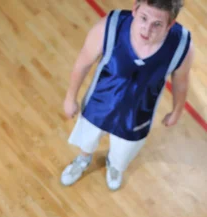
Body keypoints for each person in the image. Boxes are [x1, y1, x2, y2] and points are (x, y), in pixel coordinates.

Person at [61, 0, 194, 191]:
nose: (147, 30)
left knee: (123, 153)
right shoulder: (110, 26)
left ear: (170, 24)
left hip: (138, 115)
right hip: (99, 103)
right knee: (87, 140)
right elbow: (83, 62)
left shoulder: (182, 46)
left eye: (157, 24)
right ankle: (83, 159)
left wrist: (177, 111)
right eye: (143, 18)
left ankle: (115, 167)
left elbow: (181, 83)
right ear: (135, 8)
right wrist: (70, 97)